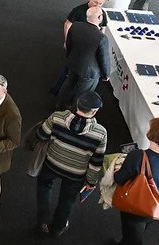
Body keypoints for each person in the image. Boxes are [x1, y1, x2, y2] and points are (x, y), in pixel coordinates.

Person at [36, 92, 107, 238]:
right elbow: (96, 162)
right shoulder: (100, 133)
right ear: (94, 111)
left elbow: (41, 135)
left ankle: (43, 221)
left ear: (77, 104)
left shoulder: (57, 117)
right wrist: (91, 182)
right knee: (67, 200)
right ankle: (58, 227)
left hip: (52, 163)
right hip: (76, 173)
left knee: (44, 187)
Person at [112, 118, 159, 245]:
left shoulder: (137, 156)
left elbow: (119, 179)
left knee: (133, 237)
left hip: (137, 205)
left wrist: (115, 169)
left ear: (151, 135)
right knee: (140, 228)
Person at [56, 7, 109, 109]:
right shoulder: (101, 37)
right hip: (89, 72)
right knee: (83, 93)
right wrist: (106, 74)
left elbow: (69, 44)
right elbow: (104, 59)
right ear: (100, 17)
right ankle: (76, 110)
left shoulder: (75, 26)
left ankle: (59, 105)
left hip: (73, 63)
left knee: (68, 84)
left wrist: (69, 58)